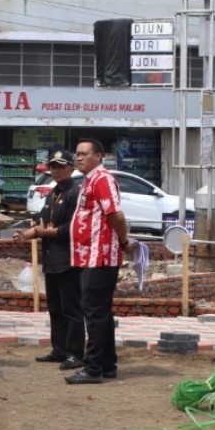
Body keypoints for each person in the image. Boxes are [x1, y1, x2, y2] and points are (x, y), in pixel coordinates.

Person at [65, 139, 130, 386]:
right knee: (99, 313)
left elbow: (115, 214)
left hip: (100, 257)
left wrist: (123, 241)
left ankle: (93, 369)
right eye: (77, 154)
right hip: (89, 256)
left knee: (94, 314)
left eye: (85, 154)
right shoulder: (89, 180)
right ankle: (106, 364)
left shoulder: (102, 179)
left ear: (99, 156)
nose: (79, 158)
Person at [15, 149, 84, 369]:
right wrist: (28, 234)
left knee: (71, 309)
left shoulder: (75, 193)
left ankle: (76, 354)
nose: (55, 170)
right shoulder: (54, 192)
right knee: (55, 307)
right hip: (52, 259)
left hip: (69, 260)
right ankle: (59, 349)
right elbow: (43, 224)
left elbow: (74, 229)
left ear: (71, 168)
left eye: (61, 166)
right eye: (53, 166)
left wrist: (47, 233)